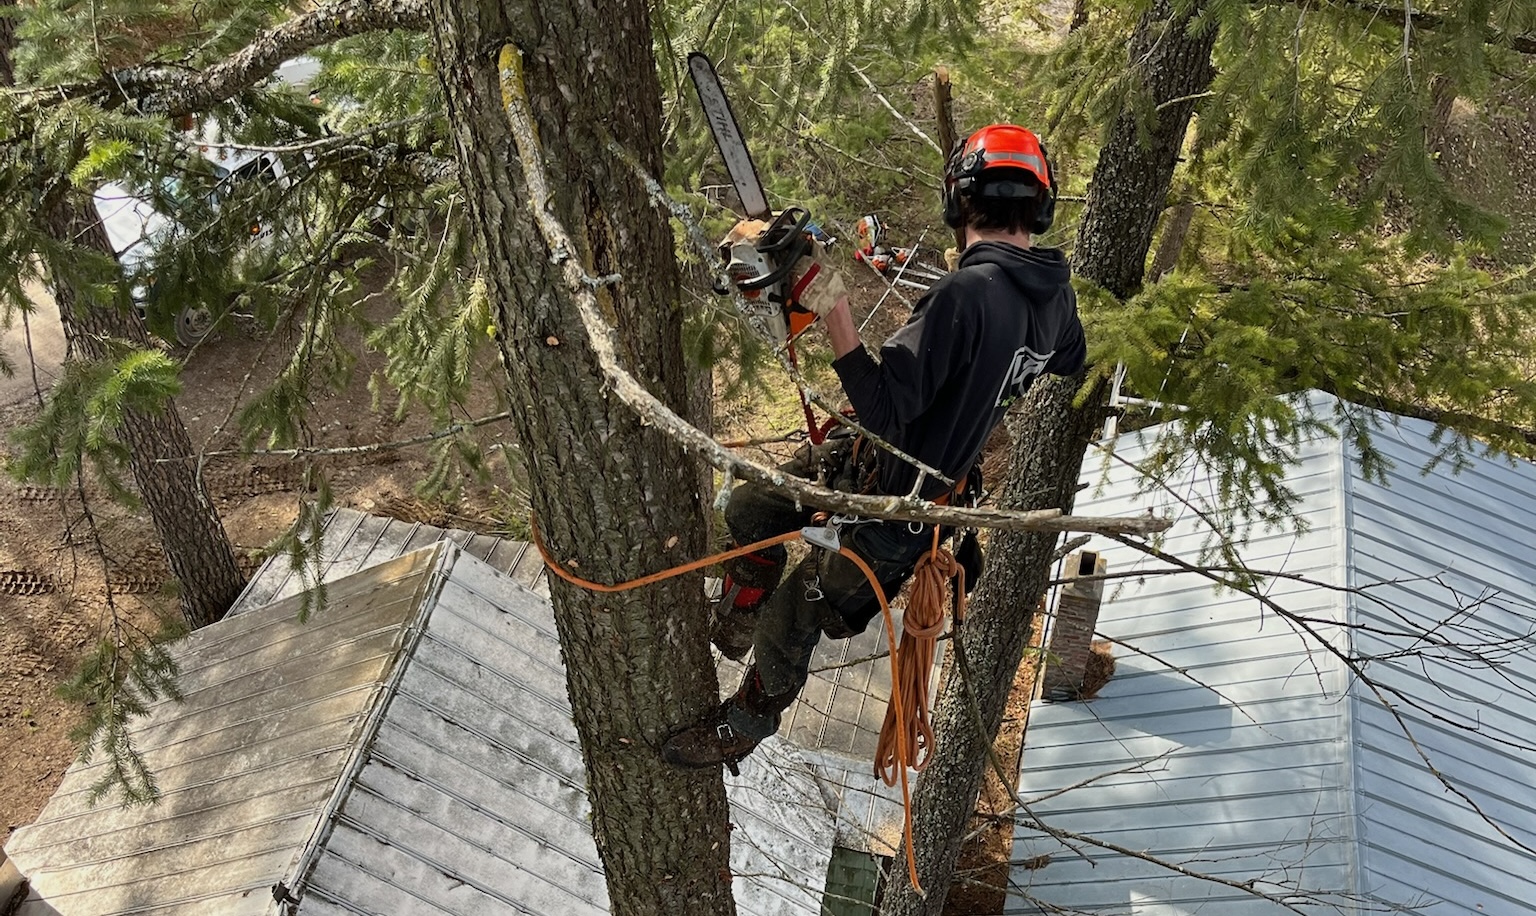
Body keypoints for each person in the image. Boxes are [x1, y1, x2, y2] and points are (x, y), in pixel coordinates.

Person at [662, 124, 1088, 770]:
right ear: (1040, 205)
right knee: (753, 510)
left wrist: (833, 310)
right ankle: (737, 612)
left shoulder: (966, 296)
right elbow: (1069, 358)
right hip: (869, 457)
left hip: (904, 509)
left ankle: (746, 722)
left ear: (957, 198)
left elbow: (887, 408)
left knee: (795, 617)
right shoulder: (1052, 299)